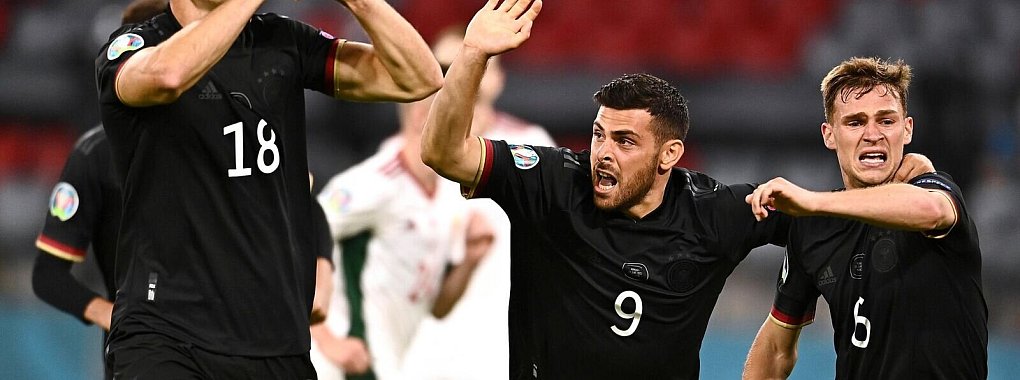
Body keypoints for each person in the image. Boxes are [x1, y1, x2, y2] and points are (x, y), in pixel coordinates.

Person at [419, 1, 788, 378]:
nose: (604, 153)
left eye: (625, 141)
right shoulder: (552, 183)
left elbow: (822, 226)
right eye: (599, 135)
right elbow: (443, 154)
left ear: (669, 154)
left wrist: (787, 316)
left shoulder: (711, 212)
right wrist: (473, 54)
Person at [94, 0, 441, 377]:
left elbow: (420, 78)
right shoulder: (135, 45)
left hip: (276, 341)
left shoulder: (281, 41)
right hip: (168, 333)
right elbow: (167, 76)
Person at [741, 57, 986, 379]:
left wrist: (813, 201)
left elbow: (932, 210)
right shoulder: (812, 229)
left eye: (886, 121)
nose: (872, 134)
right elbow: (776, 347)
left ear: (907, 129)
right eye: (855, 122)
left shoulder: (933, 188)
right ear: (829, 135)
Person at [399, 23, 557, 379]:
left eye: (479, 60)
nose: (461, 70)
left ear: (498, 77)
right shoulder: (405, 159)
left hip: (500, 352)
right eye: (445, 65)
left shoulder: (532, 148)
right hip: (422, 355)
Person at [311, 95, 494, 379]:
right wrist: (326, 339)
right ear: (423, 118)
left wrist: (469, 260)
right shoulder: (375, 182)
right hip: (347, 365)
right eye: (464, 115)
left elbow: (437, 307)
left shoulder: (448, 195)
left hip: (391, 364)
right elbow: (298, 234)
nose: (478, 124)